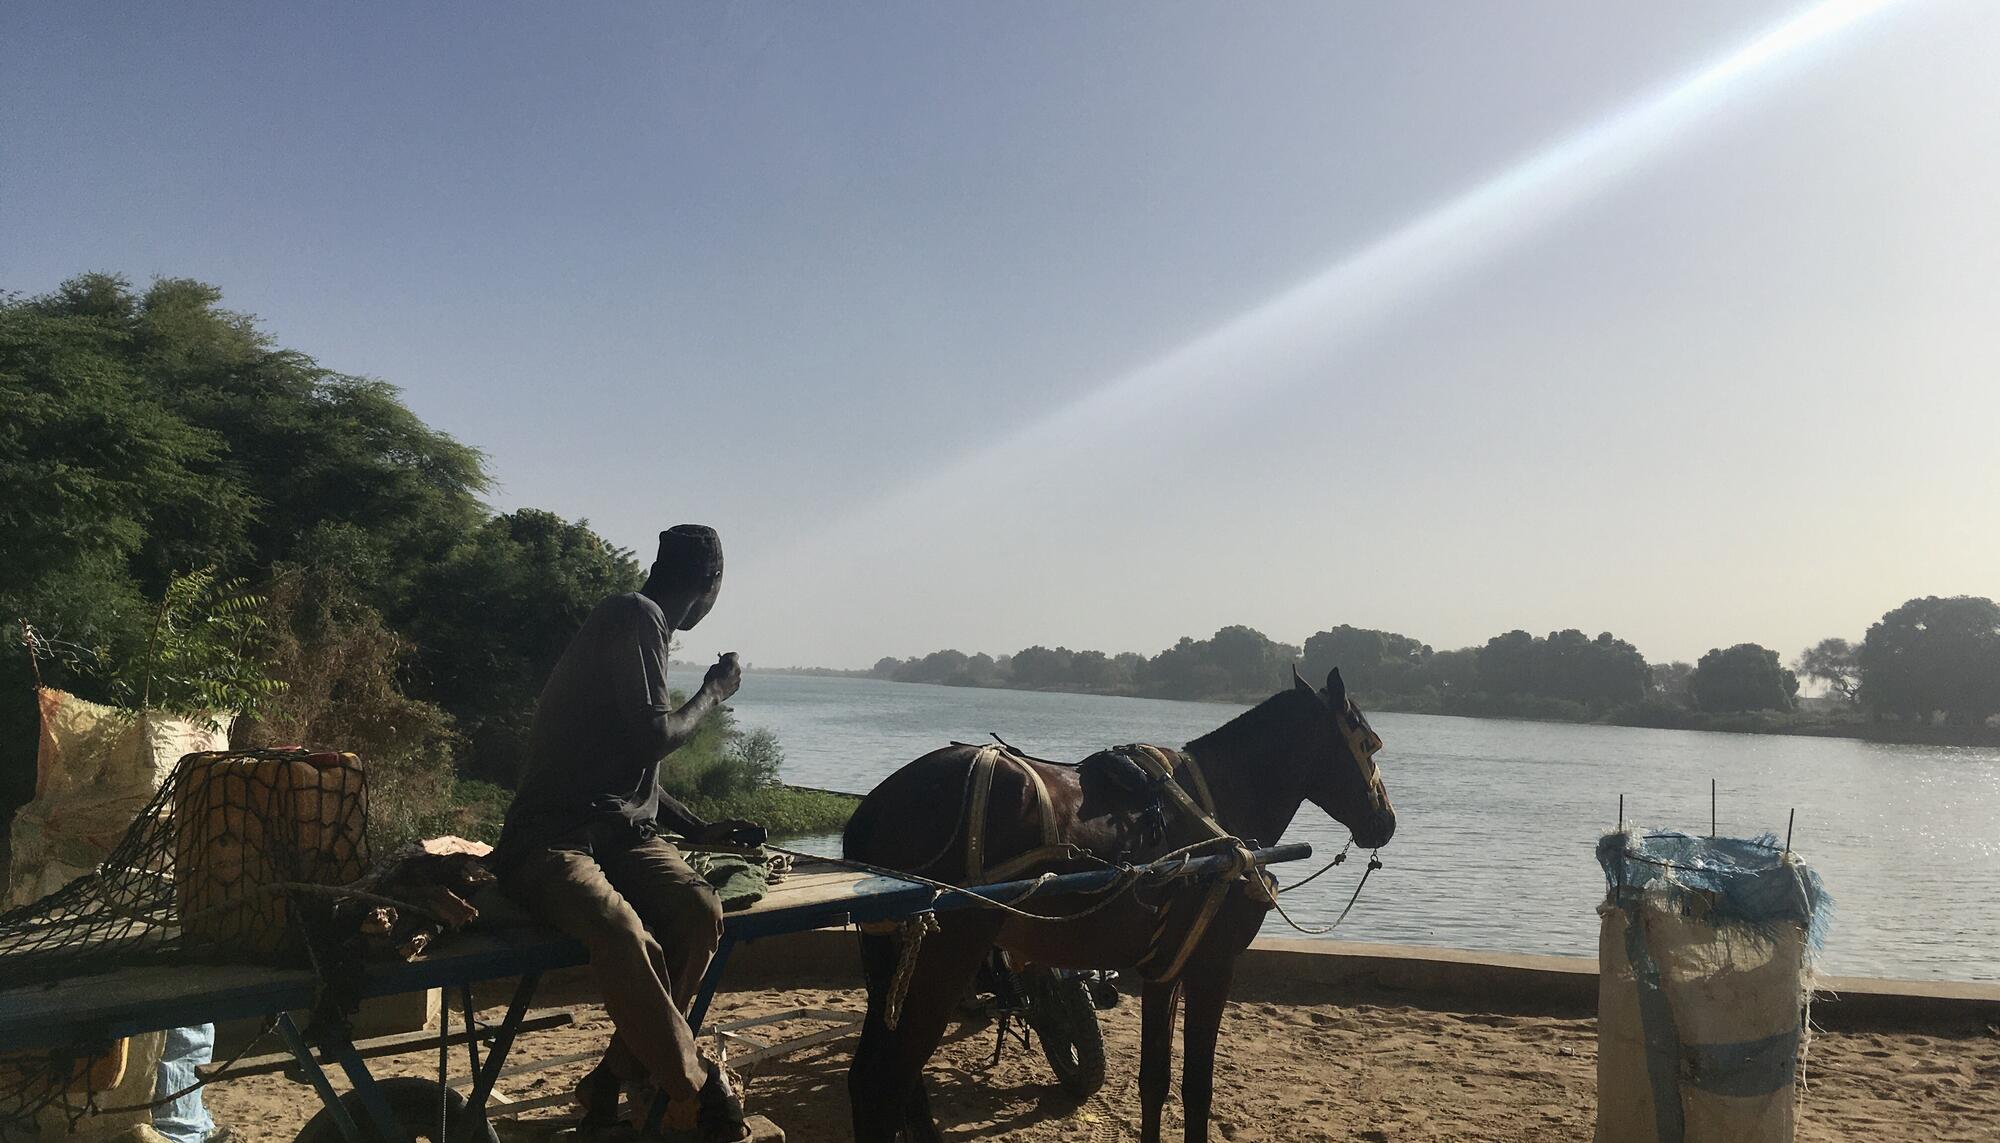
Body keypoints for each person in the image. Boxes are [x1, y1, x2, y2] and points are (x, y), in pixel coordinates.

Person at [493, 525, 764, 1142]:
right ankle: (695, 1089)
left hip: (619, 838)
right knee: (620, 930)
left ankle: (612, 1075)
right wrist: (713, 694)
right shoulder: (633, 617)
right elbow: (654, 737)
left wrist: (701, 828)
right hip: (551, 838)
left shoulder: (643, 629)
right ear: (710, 585)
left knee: (699, 909)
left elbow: (630, 767)